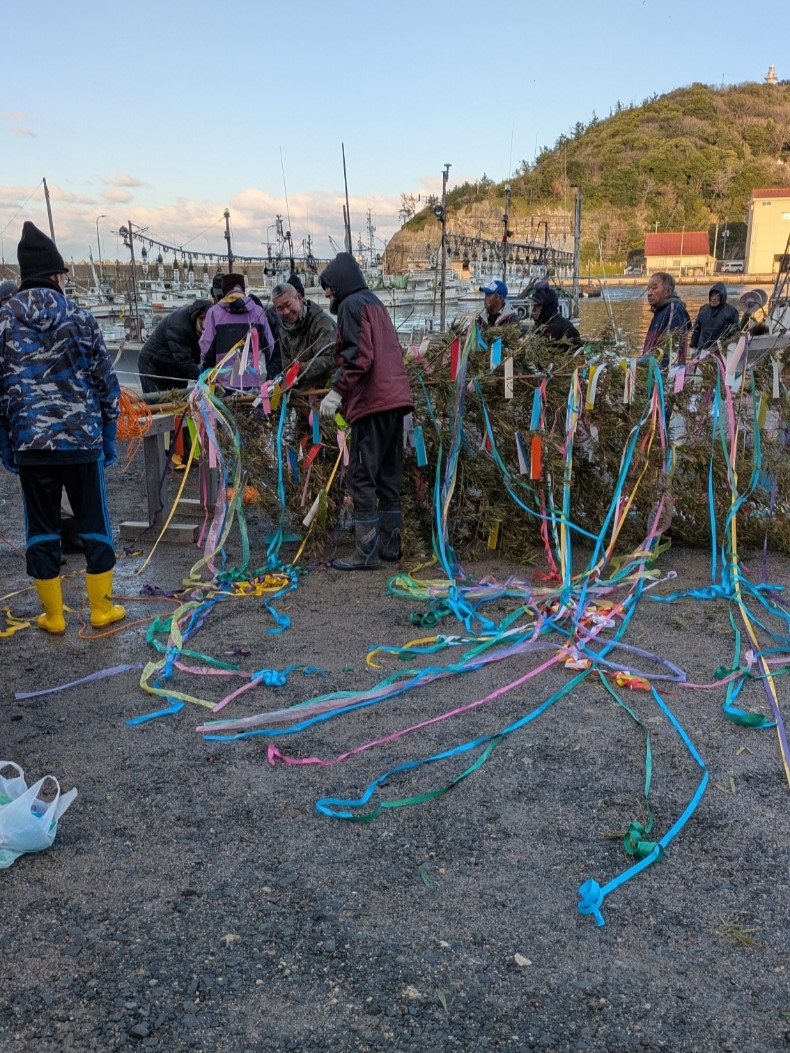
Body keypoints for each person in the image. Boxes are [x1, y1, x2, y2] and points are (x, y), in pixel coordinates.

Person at [0, 222, 124, 633]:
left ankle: (53, 616)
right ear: (56, 276)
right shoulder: (81, 318)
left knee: (40, 527)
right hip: (81, 441)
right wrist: (108, 436)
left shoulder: (3, 321)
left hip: (30, 444)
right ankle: (101, 608)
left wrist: (6, 442)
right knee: (94, 522)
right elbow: (107, 384)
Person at [318, 252, 413, 570]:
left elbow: (359, 355)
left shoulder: (350, 306)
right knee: (388, 474)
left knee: (362, 474)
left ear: (340, 283)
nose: (328, 294)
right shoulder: (375, 303)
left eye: (329, 287)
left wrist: (337, 391)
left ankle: (366, 551)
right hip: (395, 399)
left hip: (372, 401)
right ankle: (391, 547)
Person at [199, 273, 273, 387]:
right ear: (243, 289)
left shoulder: (214, 313)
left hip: (224, 385)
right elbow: (269, 346)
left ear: (224, 290)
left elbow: (206, 348)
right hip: (254, 384)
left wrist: (207, 372)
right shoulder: (259, 312)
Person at [270, 281, 336, 387]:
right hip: (301, 392)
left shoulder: (321, 322)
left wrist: (296, 370)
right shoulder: (283, 331)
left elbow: (329, 358)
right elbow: (286, 367)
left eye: (288, 304)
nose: (286, 312)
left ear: (299, 298)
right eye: (280, 308)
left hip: (328, 388)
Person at [137, 298, 211, 393]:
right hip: (154, 368)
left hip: (176, 372)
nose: (205, 324)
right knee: (158, 403)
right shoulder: (178, 326)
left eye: (207, 319)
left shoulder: (199, 328)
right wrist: (203, 379)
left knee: (179, 401)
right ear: (195, 316)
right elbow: (184, 360)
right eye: (201, 318)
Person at [643, 272, 691, 369]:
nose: (649, 293)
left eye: (654, 288)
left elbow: (673, 347)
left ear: (667, 291)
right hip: (651, 373)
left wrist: (663, 374)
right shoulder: (659, 311)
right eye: (648, 288)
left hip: (664, 376)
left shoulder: (674, 309)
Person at [690, 282, 740, 354]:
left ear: (722, 297)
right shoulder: (703, 310)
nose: (713, 298)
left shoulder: (731, 312)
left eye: (717, 296)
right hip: (703, 350)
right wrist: (693, 346)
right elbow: (696, 330)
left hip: (721, 352)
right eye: (712, 296)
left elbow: (736, 333)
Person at [529, 281, 582, 347]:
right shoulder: (538, 326)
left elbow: (578, 355)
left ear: (546, 306)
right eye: (533, 305)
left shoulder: (567, 329)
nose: (533, 310)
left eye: (538, 305)